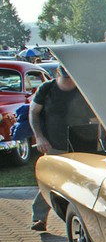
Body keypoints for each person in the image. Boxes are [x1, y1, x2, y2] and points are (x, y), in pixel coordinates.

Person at [29, 66, 94, 232]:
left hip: (83, 146)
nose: (68, 82)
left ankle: (88, 223)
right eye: (65, 79)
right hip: (54, 144)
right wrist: (40, 137)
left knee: (83, 183)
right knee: (52, 181)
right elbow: (34, 112)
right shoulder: (47, 89)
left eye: (71, 79)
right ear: (58, 74)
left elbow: (96, 116)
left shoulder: (84, 88)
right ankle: (39, 218)